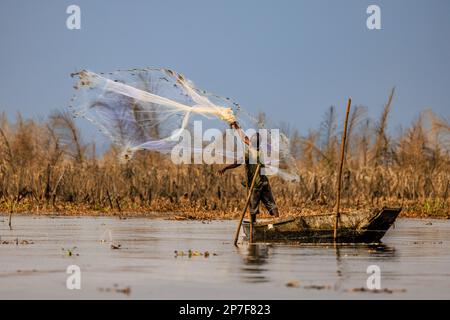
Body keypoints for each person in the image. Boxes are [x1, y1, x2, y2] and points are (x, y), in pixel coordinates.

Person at [218, 121, 279, 224]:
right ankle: (278, 221)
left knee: (252, 207)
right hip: (264, 183)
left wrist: (225, 168)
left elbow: (238, 162)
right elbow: (244, 138)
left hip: (255, 185)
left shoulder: (250, 153)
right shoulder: (261, 150)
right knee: (271, 203)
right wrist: (236, 127)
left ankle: (253, 225)